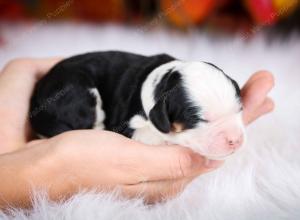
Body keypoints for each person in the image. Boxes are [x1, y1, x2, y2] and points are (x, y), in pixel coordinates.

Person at [0, 58, 274, 209]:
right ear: (161, 117)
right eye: (203, 120)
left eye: (236, 110)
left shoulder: (177, 92)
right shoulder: (150, 107)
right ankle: (77, 128)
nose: (234, 135)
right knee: (79, 97)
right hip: (70, 89)